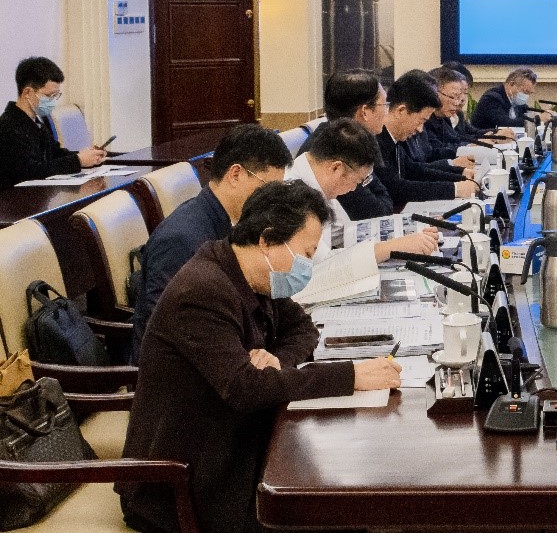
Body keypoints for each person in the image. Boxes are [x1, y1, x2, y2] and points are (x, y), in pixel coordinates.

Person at [119, 180, 403, 533]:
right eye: (306, 253)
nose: (307, 265)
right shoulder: (203, 290)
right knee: (346, 513)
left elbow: (303, 328)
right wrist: (351, 376)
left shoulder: (253, 275)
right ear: (267, 239)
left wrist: (276, 360)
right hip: (185, 483)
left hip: (238, 443)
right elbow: (247, 389)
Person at [131, 124, 293, 358]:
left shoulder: (230, 220)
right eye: (267, 188)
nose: (271, 200)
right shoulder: (182, 239)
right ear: (235, 174)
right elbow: (169, 333)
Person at [287, 118, 439, 263]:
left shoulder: (318, 182)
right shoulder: (293, 196)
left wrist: (407, 231)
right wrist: (392, 247)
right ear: (336, 168)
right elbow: (325, 264)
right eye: (357, 181)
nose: (354, 188)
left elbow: (344, 233)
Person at [301, 68, 395, 220]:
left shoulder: (355, 140)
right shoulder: (336, 148)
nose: (386, 112)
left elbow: (385, 197)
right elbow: (376, 212)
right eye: (384, 105)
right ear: (365, 111)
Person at [0, 56, 107, 188]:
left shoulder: (37, 122)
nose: (53, 101)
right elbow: (30, 171)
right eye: (49, 96)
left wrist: (88, 157)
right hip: (17, 197)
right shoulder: (7, 126)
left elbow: (55, 154)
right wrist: (78, 160)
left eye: (56, 95)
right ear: (27, 92)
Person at [377, 71, 478, 204]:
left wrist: (461, 174)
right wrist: (455, 189)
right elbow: (397, 188)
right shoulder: (376, 140)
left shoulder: (393, 139)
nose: (420, 129)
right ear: (401, 111)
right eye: (421, 120)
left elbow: (415, 170)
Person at [470, 66, 551, 130]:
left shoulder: (517, 102)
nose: (526, 96)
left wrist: (542, 115)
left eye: (530, 93)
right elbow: (505, 124)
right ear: (511, 84)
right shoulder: (492, 99)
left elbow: (524, 117)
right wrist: (537, 119)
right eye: (525, 92)